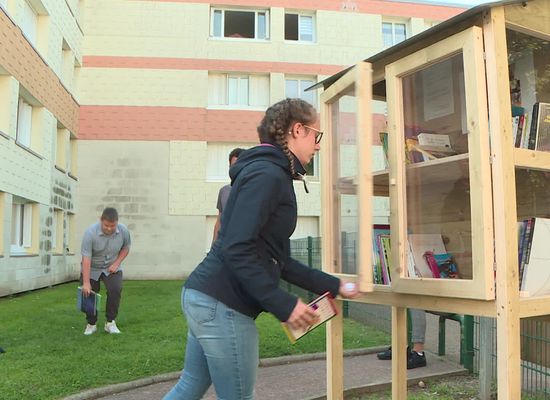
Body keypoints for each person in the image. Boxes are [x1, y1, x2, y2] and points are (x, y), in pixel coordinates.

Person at [163, 98, 360, 400]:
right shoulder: (268, 175)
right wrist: (282, 304)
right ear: (297, 130)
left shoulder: (271, 173)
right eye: (315, 135)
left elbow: (279, 260)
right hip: (221, 304)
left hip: (206, 297)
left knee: (191, 386)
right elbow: (236, 248)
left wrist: (336, 286)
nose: (318, 145)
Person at [80, 207, 131, 335]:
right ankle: (91, 324)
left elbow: (126, 248)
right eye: (106, 225)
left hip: (112, 267)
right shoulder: (90, 233)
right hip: (92, 267)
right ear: (101, 221)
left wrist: (117, 263)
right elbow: (86, 258)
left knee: (115, 289)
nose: (109, 228)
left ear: (117, 222)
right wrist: (86, 282)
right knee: (89, 293)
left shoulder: (123, 231)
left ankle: (110, 322)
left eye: (112, 226)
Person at [212, 147, 244, 243]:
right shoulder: (224, 191)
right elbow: (219, 222)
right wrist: (213, 246)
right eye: (233, 166)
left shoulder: (255, 191)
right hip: (224, 246)